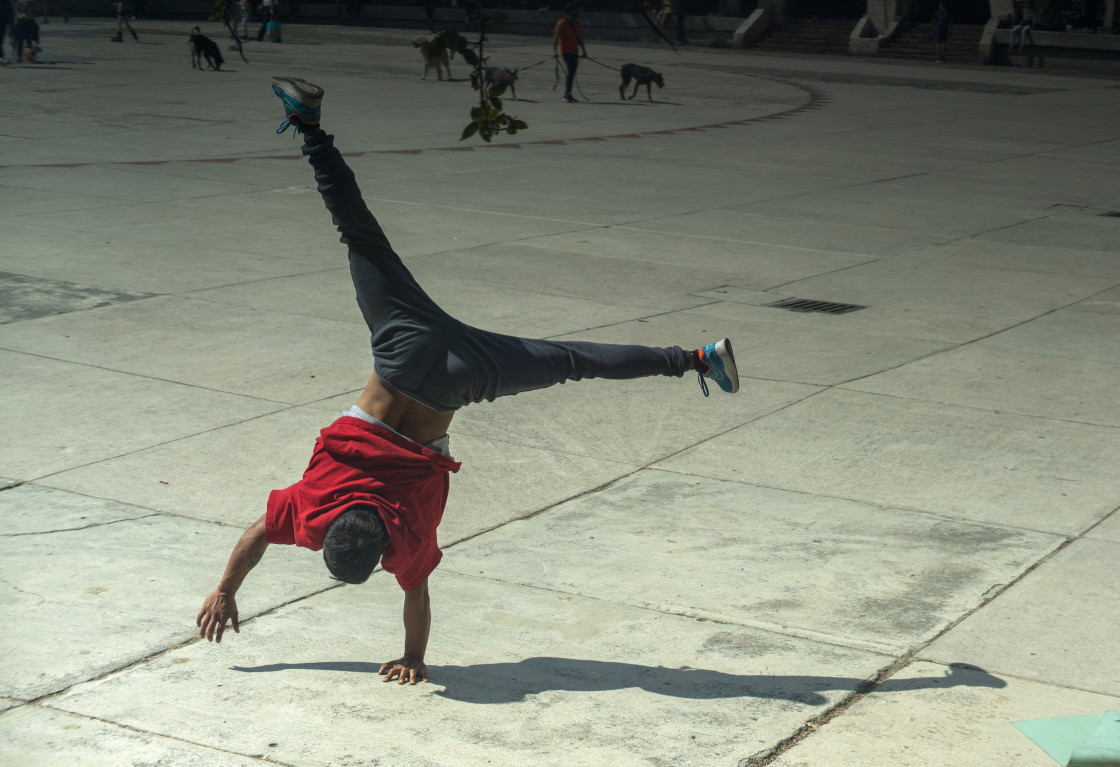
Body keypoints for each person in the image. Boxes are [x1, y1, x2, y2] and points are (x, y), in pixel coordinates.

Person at [196, 77, 741, 686]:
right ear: (332, 531)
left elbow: (417, 596)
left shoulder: (403, 538)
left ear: (376, 554)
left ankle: (698, 357)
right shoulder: (314, 507)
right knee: (358, 234)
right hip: (402, 350)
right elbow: (259, 532)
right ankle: (310, 127)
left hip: (454, 384)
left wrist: (415, 658)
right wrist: (222, 588)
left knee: (570, 361)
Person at [553, 3, 587, 103]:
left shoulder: (577, 23)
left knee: (572, 73)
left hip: (574, 51)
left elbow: (580, 37)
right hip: (565, 51)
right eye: (575, 10)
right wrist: (555, 51)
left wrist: (584, 51)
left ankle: (568, 93)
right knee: (570, 71)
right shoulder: (562, 23)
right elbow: (556, 38)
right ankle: (567, 94)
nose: (577, 13)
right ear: (570, 12)